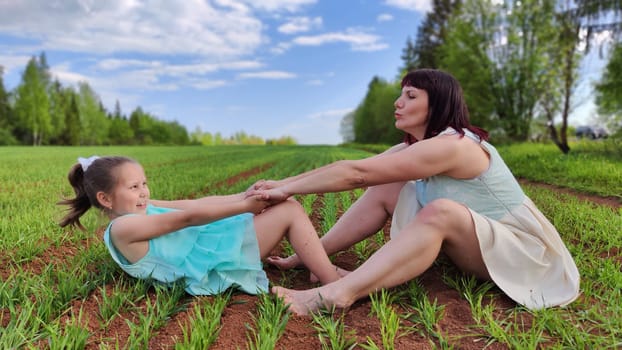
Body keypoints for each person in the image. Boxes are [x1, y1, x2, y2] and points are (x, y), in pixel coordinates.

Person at [248, 69, 580, 315]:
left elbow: (355, 175)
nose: (398, 102)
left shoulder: (455, 146)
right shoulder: (420, 146)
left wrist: (285, 189)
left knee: (442, 211)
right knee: (390, 185)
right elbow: (354, 167)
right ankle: (313, 258)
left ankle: (336, 295)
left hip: (526, 255)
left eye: (411, 96)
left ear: (436, 105)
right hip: (482, 247)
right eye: (401, 94)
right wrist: (282, 186)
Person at [58, 155, 342, 296]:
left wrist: (243, 196)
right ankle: (331, 282)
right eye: (134, 187)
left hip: (206, 249)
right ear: (105, 199)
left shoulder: (139, 209)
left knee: (279, 209)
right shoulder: (123, 229)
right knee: (289, 211)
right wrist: (244, 208)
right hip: (207, 264)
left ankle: (319, 267)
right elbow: (186, 219)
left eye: (144, 183)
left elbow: (192, 205)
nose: (143, 192)